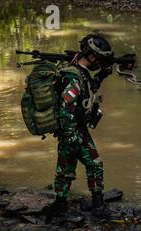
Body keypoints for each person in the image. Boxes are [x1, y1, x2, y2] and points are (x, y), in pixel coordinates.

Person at [47, 34, 114, 218]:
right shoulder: (73, 76)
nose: (99, 63)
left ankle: (62, 204)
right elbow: (66, 108)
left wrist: (102, 75)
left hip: (76, 128)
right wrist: (71, 137)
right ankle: (94, 206)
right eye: (98, 60)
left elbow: (91, 86)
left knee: (68, 167)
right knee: (90, 164)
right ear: (91, 56)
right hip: (72, 129)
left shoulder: (80, 72)